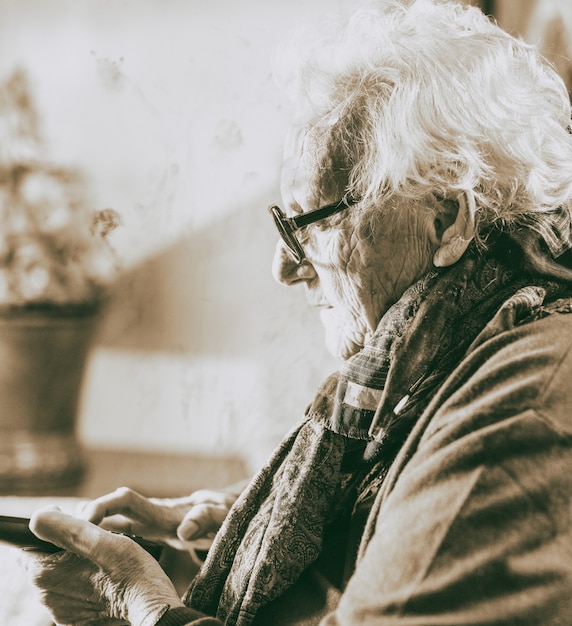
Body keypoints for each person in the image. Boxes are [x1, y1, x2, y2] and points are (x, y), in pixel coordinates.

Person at [23, 0, 572, 624]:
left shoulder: (526, 405)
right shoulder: (441, 355)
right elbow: (405, 501)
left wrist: (143, 609)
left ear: (446, 220)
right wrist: (242, 526)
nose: (285, 268)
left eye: (309, 224)